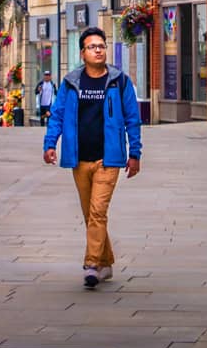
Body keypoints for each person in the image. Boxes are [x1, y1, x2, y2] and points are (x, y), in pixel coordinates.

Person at [43, 27, 142, 289]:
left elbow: (133, 119)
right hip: (80, 159)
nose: (98, 50)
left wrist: (135, 154)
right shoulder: (71, 82)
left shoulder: (119, 81)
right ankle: (106, 261)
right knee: (90, 215)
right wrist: (50, 144)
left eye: (101, 46)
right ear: (82, 52)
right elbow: (58, 114)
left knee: (98, 212)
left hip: (108, 159)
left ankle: (92, 265)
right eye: (92, 46)